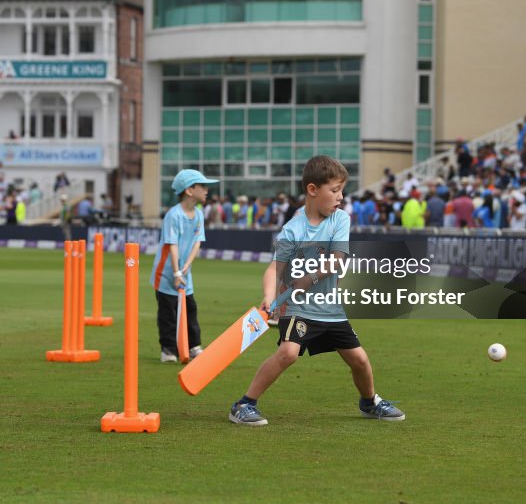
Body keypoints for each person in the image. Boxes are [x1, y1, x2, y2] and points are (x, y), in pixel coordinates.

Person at [229, 156, 405, 426]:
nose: (340, 197)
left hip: (330, 308)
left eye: (341, 190)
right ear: (313, 190)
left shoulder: (339, 220)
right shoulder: (292, 230)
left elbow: (337, 259)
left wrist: (309, 277)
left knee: (359, 359)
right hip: (298, 308)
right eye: (334, 190)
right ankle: (244, 404)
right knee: (288, 353)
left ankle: (369, 402)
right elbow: (274, 270)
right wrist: (268, 297)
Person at [151, 169, 218, 363]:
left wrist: (186, 267)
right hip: (166, 273)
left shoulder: (198, 214)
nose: (206, 190)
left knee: (190, 309)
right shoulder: (174, 215)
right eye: (202, 186)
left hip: (184, 273)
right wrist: (176, 271)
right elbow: (171, 245)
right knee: (168, 312)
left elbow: (197, 242)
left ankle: (193, 345)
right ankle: (169, 350)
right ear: (189, 190)